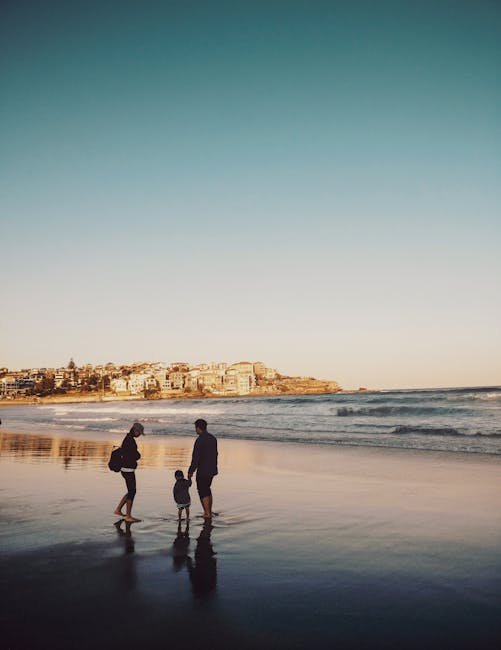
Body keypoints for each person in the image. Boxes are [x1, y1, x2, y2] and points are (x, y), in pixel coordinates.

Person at [114, 422, 144, 523]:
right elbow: (134, 455)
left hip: (125, 469)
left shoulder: (128, 439)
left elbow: (129, 453)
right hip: (128, 469)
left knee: (131, 490)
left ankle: (118, 510)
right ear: (135, 430)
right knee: (132, 491)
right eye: (139, 432)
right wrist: (138, 456)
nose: (140, 434)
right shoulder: (130, 440)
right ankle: (128, 516)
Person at [188, 418, 218, 519]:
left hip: (203, 470)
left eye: (195, 427)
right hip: (212, 469)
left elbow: (196, 457)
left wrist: (191, 471)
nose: (195, 430)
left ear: (198, 428)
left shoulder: (199, 440)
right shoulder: (213, 438)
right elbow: (215, 454)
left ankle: (207, 513)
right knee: (207, 489)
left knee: (202, 490)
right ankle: (209, 510)